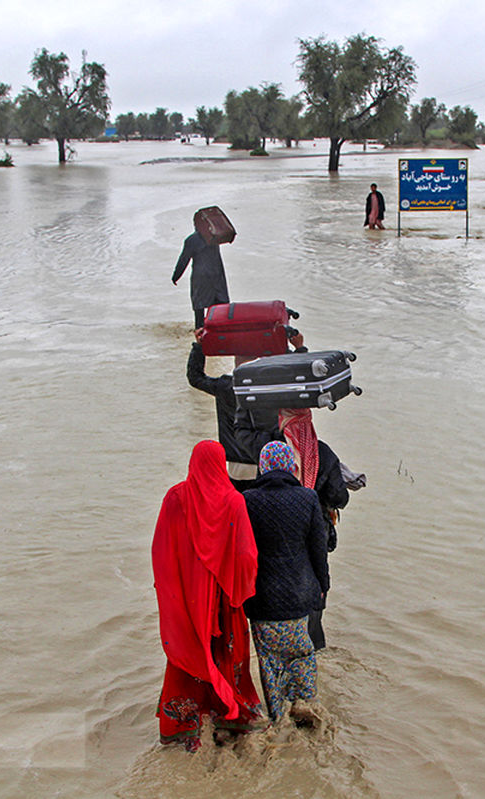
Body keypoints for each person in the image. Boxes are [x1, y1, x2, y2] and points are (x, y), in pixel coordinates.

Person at [152, 440, 263, 750]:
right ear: (221, 463)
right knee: (228, 653)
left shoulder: (175, 497)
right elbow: (245, 556)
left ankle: (183, 725)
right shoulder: (233, 500)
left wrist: (170, 592)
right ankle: (231, 717)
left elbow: (162, 549)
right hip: (225, 599)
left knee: (188, 652)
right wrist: (241, 590)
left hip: (187, 597)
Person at [242, 442, 329, 724]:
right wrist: (323, 583)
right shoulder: (307, 498)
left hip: (262, 599)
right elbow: (318, 547)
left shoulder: (247, 500)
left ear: (263, 465)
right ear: (292, 466)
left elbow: (242, 552)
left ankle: (278, 718)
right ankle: (305, 707)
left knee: (269, 660)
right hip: (299, 594)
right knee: (302, 652)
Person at [187, 331, 305, 491]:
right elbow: (301, 379)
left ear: (236, 360)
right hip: (267, 458)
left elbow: (195, 378)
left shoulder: (226, 386)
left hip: (236, 464)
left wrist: (199, 346)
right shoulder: (269, 386)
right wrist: (298, 349)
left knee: (240, 508)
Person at [173, 225, 231, 329]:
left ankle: (200, 331)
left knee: (199, 307)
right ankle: (219, 331)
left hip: (201, 278)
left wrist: (176, 276)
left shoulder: (191, 240)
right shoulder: (214, 237)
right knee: (218, 307)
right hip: (216, 275)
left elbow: (183, 260)